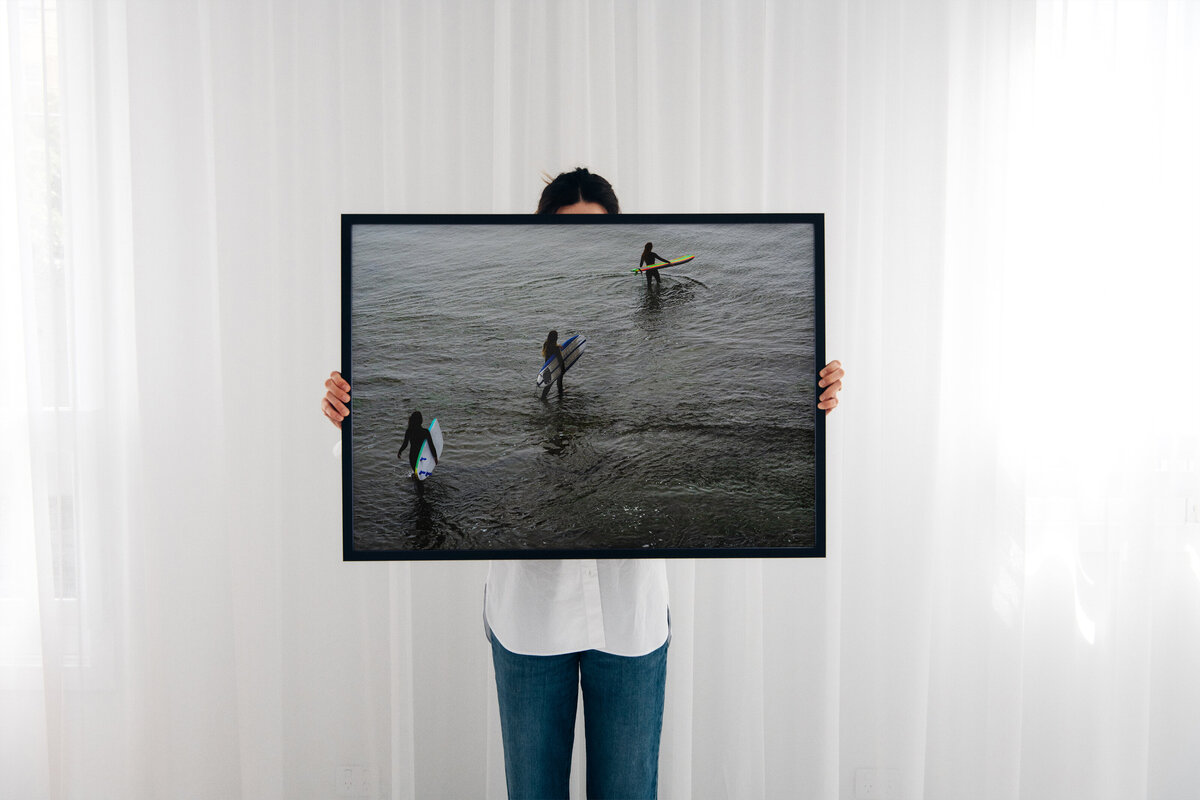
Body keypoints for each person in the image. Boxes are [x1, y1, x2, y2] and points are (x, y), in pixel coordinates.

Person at [321, 167, 845, 799]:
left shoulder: (624, 317)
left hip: (630, 617)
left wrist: (803, 399)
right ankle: (555, 396)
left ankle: (559, 394)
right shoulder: (543, 322)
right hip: (528, 618)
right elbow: (410, 447)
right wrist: (350, 423)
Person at [397, 410, 437, 477]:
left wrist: (400, 451)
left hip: (413, 456)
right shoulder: (425, 432)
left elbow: (405, 444)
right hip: (422, 457)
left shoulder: (409, 431)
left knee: (417, 475)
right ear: (421, 420)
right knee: (420, 476)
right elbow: (431, 445)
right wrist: (435, 457)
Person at [540, 330, 566, 399]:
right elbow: (560, 360)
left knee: (548, 385)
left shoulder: (546, 344)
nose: (557, 337)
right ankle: (560, 398)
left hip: (548, 367)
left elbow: (552, 348)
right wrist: (563, 370)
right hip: (556, 367)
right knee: (559, 383)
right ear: (555, 338)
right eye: (557, 336)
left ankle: (543, 398)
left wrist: (558, 346)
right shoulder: (556, 348)